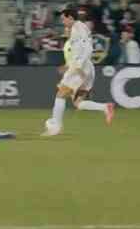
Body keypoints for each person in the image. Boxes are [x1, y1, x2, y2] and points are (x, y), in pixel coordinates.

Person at [42, 7, 114, 137]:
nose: (63, 22)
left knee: (60, 94)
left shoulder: (77, 29)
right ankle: (105, 107)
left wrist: (78, 68)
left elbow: (87, 48)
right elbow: (77, 51)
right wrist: (68, 65)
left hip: (81, 68)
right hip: (86, 67)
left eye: (64, 19)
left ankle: (56, 127)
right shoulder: (79, 29)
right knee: (78, 103)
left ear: (70, 18)